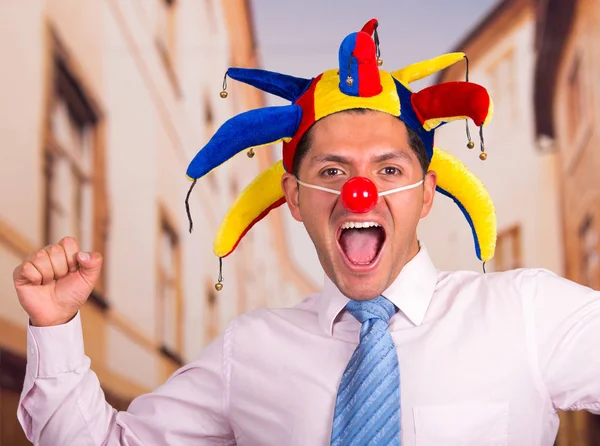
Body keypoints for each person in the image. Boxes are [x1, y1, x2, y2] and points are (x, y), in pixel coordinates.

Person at [13, 19, 600, 446]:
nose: (358, 193)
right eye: (332, 171)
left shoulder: (527, 312)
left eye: (389, 169)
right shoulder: (251, 351)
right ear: (294, 198)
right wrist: (54, 326)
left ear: (426, 194)